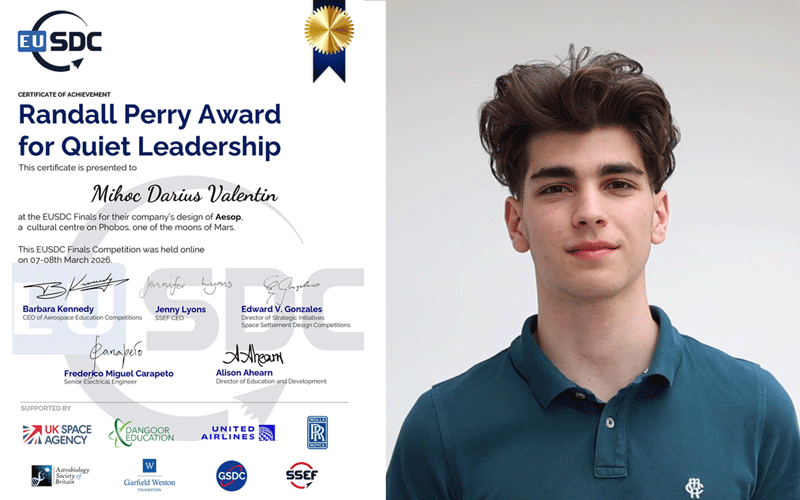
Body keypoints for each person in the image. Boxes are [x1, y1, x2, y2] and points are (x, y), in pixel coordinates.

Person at [387, 45, 799, 499]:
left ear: (658, 215)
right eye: (556, 187)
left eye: (617, 184)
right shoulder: (441, 431)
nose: (589, 212)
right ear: (516, 222)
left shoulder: (756, 411)